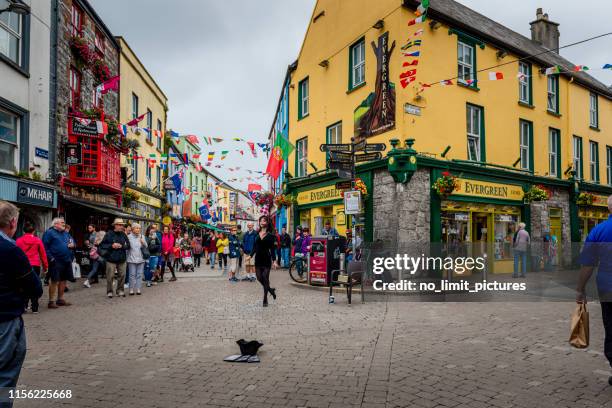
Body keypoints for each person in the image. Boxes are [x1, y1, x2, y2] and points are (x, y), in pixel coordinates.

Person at [0, 201, 42, 404]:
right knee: (5, 373)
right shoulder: (10, 250)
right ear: (13, 222)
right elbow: (35, 287)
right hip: (5, 319)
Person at [576, 195, 612, 386]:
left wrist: (580, 289)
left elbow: (588, 265)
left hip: (608, 288)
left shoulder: (598, 231)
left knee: (611, 328)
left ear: (608, 209)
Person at [16, 223, 47, 314]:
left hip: (23, 265)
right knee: (34, 285)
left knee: (23, 285)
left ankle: (24, 306)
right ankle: (35, 308)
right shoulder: (37, 240)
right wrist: (46, 266)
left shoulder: (19, 241)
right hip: (35, 265)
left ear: (23, 231)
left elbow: (16, 254)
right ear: (33, 231)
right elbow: (43, 254)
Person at [42, 217, 74, 308]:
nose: (64, 224)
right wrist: (51, 258)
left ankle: (60, 299)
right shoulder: (49, 233)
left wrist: (73, 244)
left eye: (64, 222)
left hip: (66, 260)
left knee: (63, 280)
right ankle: (51, 301)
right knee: (55, 280)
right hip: (56, 260)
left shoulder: (65, 233)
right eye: (62, 222)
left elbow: (72, 241)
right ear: (55, 224)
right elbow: (45, 247)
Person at [250, 216, 279, 307]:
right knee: (259, 278)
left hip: (266, 259)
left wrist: (274, 261)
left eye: (264, 220)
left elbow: (273, 250)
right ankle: (270, 290)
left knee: (265, 277)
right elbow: (254, 247)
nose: (262, 222)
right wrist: (250, 256)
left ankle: (265, 299)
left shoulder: (271, 236)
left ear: (267, 222)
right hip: (258, 259)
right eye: (261, 221)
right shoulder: (256, 234)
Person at [99, 218, 130, 298]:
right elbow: (102, 245)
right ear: (115, 225)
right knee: (110, 276)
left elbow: (128, 245)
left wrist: (122, 246)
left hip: (122, 258)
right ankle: (109, 291)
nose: (121, 226)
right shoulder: (109, 234)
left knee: (122, 275)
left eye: (122, 225)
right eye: (119, 225)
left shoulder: (123, 234)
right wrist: (111, 246)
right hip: (111, 258)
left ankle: (120, 290)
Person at [126, 223, 146, 296]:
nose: (138, 229)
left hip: (141, 258)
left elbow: (146, 246)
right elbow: (126, 248)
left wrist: (143, 242)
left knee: (139, 275)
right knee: (132, 275)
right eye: (136, 228)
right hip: (131, 259)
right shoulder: (128, 237)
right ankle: (131, 289)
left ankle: (138, 289)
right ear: (132, 229)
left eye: (139, 228)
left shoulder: (142, 236)